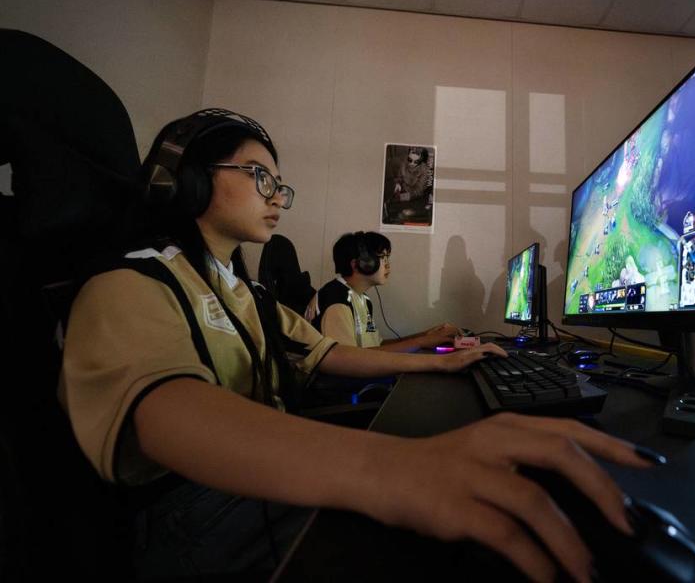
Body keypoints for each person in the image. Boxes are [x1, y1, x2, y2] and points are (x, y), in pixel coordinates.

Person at [58, 109, 653, 582]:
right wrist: (391, 468)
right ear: (190, 180)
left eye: (278, 184)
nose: (276, 195)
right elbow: (166, 413)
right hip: (186, 512)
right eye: (259, 175)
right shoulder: (133, 281)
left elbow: (329, 355)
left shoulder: (249, 293)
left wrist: (445, 363)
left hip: (247, 479)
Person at [305, 230, 459, 351]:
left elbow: (377, 347)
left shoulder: (363, 300)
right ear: (358, 264)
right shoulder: (337, 302)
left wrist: (426, 336)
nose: (387, 265)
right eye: (382, 257)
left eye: (388, 258)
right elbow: (347, 361)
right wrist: (421, 342)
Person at [384, 146, 433, 224]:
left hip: (418, 198)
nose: (411, 163)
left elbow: (418, 192)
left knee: (402, 214)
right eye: (410, 160)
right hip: (403, 193)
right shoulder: (404, 162)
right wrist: (397, 184)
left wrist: (401, 197)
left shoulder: (425, 171)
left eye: (416, 162)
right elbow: (399, 178)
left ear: (421, 162)